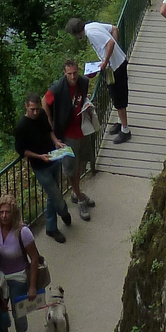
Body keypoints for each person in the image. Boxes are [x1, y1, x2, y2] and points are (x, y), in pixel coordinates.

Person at [14, 92, 72, 241]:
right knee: (56, 195)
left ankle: (51, 228)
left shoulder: (40, 115)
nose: (35, 112)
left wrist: (56, 142)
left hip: (52, 158)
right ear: (26, 106)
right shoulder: (21, 126)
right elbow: (22, 150)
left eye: (37, 108)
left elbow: (49, 130)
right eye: (32, 109)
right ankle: (64, 212)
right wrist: (40, 157)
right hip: (40, 166)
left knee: (52, 196)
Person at [43, 60, 96, 219]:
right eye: (69, 74)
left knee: (80, 163)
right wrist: (50, 122)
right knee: (71, 168)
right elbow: (44, 101)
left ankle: (76, 192)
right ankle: (80, 198)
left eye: (74, 72)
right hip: (67, 135)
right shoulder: (58, 88)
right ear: (64, 73)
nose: (72, 76)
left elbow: (82, 98)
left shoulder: (83, 82)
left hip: (82, 130)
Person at [66, 17, 131, 144]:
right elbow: (114, 29)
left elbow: (110, 43)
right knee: (115, 95)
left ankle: (125, 130)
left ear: (76, 32)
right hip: (115, 64)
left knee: (119, 98)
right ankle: (119, 122)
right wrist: (112, 53)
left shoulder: (91, 33)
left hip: (116, 67)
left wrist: (106, 61)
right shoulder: (92, 25)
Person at [0, 194, 39, 332]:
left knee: (19, 311)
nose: (4, 216)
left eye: (8, 212)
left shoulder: (23, 232)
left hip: (18, 277)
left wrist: (32, 286)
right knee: (0, 308)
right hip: (1, 277)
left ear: (14, 213)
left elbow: (34, 258)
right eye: (1, 212)